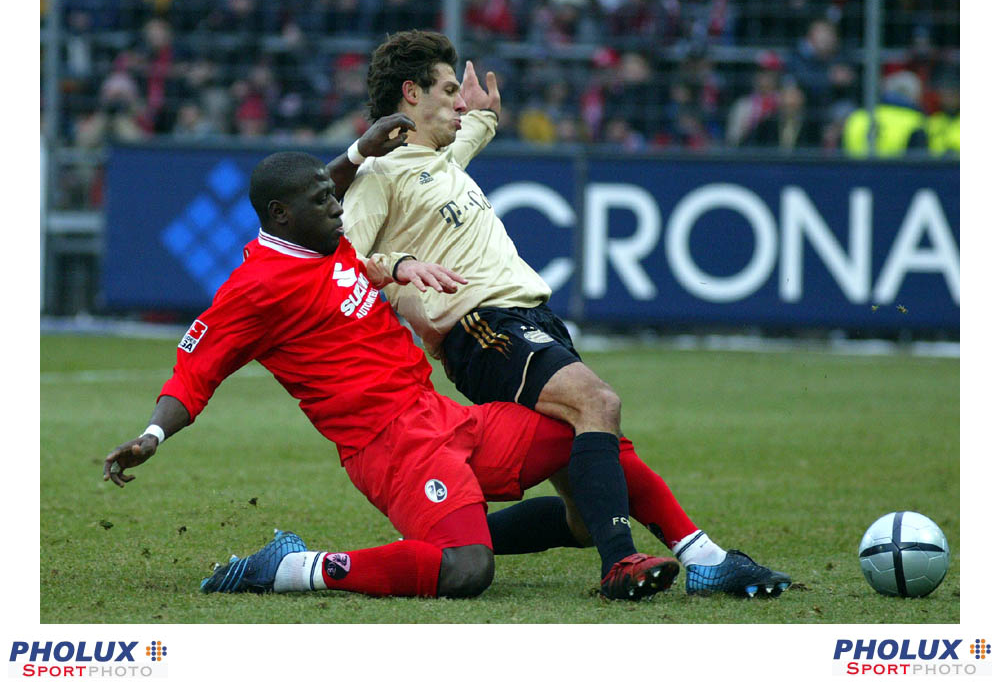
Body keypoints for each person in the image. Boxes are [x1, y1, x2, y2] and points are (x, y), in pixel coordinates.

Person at [103, 143, 681, 601]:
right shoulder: (253, 291)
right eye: (324, 200)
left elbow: (328, 202)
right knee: (467, 570)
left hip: (443, 417)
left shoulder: (326, 243)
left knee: (586, 434)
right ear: (282, 214)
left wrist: (362, 168)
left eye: (335, 195)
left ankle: (636, 545)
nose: (338, 207)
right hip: (391, 447)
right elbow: (194, 371)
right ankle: (293, 567)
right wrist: (152, 435)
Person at [335, 29, 790, 597]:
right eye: (448, 89)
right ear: (410, 94)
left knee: (584, 508)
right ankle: (631, 564)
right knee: (598, 404)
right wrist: (398, 265)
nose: (458, 99)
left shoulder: (436, 160)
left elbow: (457, 146)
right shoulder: (379, 175)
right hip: (486, 327)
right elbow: (339, 262)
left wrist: (484, 117)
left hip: (530, 322)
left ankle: (451, 544)